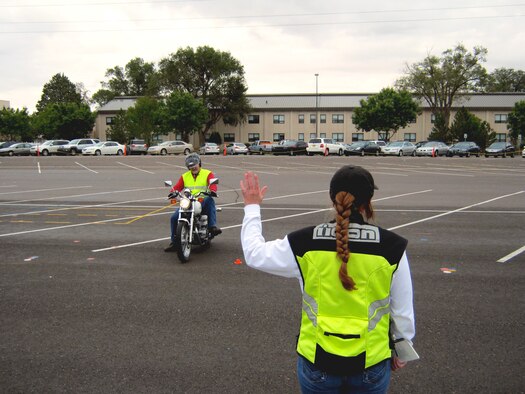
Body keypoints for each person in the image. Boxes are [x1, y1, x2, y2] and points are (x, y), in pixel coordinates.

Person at [240, 165, 415, 393]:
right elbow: (402, 311)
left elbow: (254, 254)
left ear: (332, 199)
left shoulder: (303, 242)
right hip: (371, 363)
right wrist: (403, 348)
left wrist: (252, 207)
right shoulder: (393, 247)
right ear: (368, 202)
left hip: (317, 362)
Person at [164, 153, 221, 252]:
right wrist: (172, 192)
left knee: (210, 199)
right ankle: (174, 242)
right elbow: (177, 187)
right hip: (188, 201)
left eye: (195, 164)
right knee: (174, 218)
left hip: (202, 199)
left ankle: (212, 227)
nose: (193, 167)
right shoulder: (185, 176)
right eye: (190, 166)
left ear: (199, 163)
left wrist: (212, 190)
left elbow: (212, 184)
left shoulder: (207, 173)